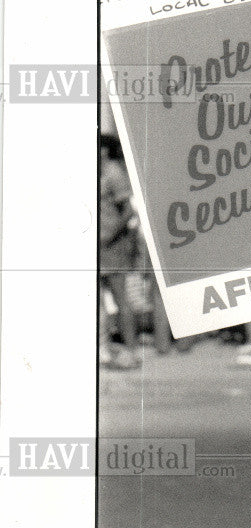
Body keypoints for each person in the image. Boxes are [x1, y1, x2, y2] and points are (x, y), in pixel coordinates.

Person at [99, 134, 141, 369]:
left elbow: (127, 211)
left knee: (120, 298)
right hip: (95, 246)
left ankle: (132, 350)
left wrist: (110, 234)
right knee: (98, 303)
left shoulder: (113, 173)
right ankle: (102, 349)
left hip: (112, 246)